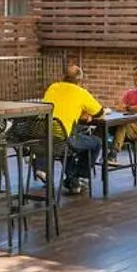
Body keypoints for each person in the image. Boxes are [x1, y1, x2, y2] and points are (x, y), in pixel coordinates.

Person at [42, 62, 104, 194]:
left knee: (71, 141)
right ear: (80, 80)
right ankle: (79, 177)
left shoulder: (53, 87)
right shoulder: (81, 92)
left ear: (63, 76)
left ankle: (72, 179)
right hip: (65, 140)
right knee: (95, 142)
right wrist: (85, 113)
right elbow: (99, 112)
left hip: (44, 137)